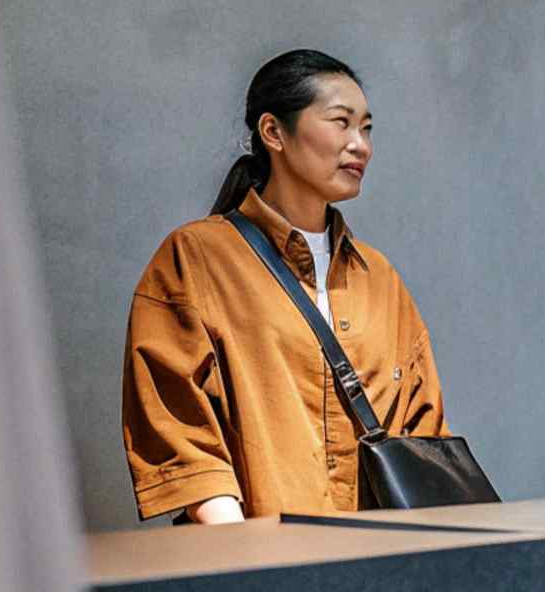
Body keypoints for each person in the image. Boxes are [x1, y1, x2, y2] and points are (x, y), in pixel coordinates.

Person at [122, 49, 449, 525]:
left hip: (379, 564)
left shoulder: (380, 280)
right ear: (273, 132)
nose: (360, 144)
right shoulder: (196, 258)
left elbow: (426, 434)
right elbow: (179, 428)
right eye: (341, 122)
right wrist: (246, 555)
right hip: (256, 562)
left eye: (367, 128)